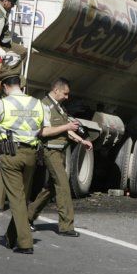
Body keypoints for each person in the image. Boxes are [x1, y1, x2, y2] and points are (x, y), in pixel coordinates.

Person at [0, 72, 79, 254]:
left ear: (5, 87)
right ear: (20, 85)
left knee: (16, 199)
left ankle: (25, 243)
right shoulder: (38, 104)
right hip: (31, 155)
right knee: (22, 197)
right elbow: (44, 130)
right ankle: (11, 237)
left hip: (11, 155)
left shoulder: (2, 104)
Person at [27, 78, 92, 237]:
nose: (67, 97)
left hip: (60, 151)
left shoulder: (60, 108)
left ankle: (28, 216)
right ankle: (66, 226)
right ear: (56, 90)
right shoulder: (44, 106)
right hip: (50, 151)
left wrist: (81, 140)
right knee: (63, 185)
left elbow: (66, 130)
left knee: (51, 188)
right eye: (65, 93)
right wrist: (67, 126)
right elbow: (43, 131)